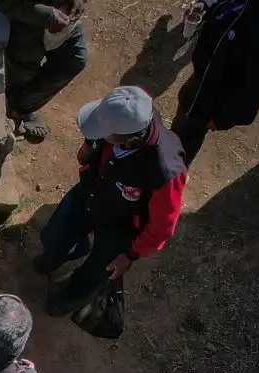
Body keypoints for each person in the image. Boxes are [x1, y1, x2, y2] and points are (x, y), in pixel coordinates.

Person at [33, 86, 187, 317]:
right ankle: (62, 252)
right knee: (57, 233)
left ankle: (73, 294)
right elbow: (89, 148)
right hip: (91, 192)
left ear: (128, 139)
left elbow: (162, 226)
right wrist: (88, 149)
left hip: (122, 223)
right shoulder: (125, 115)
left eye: (103, 131)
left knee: (98, 270)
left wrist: (131, 254)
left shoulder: (165, 170)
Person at [170, 0, 259, 161]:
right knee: (184, 106)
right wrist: (207, 4)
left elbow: (252, 93)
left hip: (209, 99)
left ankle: (170, 169)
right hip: (206, 73)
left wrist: (222, 119)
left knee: (182, 140)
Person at [0, 0, 88, 143]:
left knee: (74, 61)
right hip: (28, 21)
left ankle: (22, 107)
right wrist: (46, 15)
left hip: (67, 24)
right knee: (22, 74)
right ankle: (11, 109)